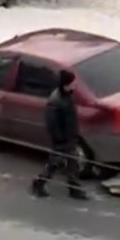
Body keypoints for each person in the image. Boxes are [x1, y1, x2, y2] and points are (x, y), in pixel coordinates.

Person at [30, 69, 88, 200]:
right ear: (66, 84)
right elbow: (52, 123)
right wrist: (60, 139)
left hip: (70, 136)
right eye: (73, 83)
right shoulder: (55, 101)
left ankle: (74, 188)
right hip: (61, 140)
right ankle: (39, 182)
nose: (75, 85)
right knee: (54, 163)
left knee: (73, 162)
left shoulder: (68, 95)